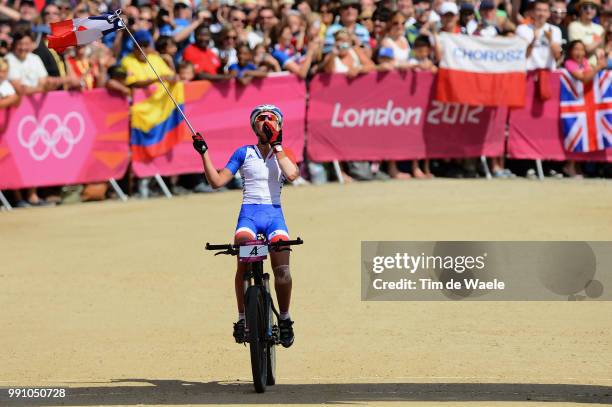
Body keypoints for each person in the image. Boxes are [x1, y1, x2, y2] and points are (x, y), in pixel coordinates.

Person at [191, 104, 299, 348]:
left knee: (283, 271)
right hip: (249, 216)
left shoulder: (285, 153)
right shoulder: (243, 152)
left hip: (274, 216)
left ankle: (284, 318)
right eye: (261, 119)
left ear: (279, 126)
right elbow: (217, 181)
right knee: (242, 251)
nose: (266, 121)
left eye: (271, 119)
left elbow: (292, 176)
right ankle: (242, 317)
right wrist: (204, 153)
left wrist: (277, 145)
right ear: (254, 126)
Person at [568, 0, 605, 68]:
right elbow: (581, 50)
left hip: (597, 68)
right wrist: (599, 40)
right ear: (579, 10)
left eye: (593, 7)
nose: (589, 10)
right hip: (579, 69)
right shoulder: (574, 26)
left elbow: (602, 50)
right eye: (585, 7)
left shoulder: (600, 28)